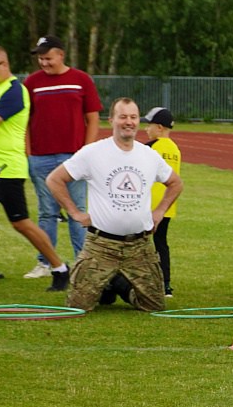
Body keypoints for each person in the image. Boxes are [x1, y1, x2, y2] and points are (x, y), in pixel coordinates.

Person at [45, 97, 182, 312]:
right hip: (101, 245)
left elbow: (175, 183)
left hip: (139, 246)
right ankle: (107, 282)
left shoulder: (149, 155)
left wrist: (160, 211)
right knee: (78, 306)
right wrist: (74, 213)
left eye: (133, 117)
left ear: (138, 121)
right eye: (123, 117)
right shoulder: (93, 152)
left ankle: (118, 284)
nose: (129, 122)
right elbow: (54, 179)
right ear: (111, 120)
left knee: (154, 306)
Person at [0, 45, 70, 291]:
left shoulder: (14, 91)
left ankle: (59, 268)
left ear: (4, 65)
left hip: (7, 170)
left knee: (20, 223)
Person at [23, 35, 102, 278]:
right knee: (47, 212)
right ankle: (46, 263)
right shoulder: (31, 83)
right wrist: (29, 153)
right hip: (41, 157)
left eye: (47, 57)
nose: (43, 63)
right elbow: (25, 121)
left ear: (61, 55)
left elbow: (93, 118)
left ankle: (82, 261)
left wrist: (85, 152)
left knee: (76, 210)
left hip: (73, 158)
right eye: (40, 58)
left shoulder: (81, 80)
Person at [142, 107, 180, 296]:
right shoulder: (175, 148)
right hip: (167, 206)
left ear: (158, 127)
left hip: (149, 205)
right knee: (161, 244)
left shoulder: (150, 147)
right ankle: (165, 283)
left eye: (148, 125)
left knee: (138, 244)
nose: (146, 129)